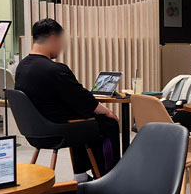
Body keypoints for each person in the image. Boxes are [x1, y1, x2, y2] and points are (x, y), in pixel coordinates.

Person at [14, 18, 120, 179]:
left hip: (34, 131)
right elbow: (81, 99)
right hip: (56, 131)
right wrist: (107, 111)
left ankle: (81, 175)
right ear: (53, 38)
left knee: (80, 118)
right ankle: (109, 177)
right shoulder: (54, 70)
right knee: (108, 123)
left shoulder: (21, 68)